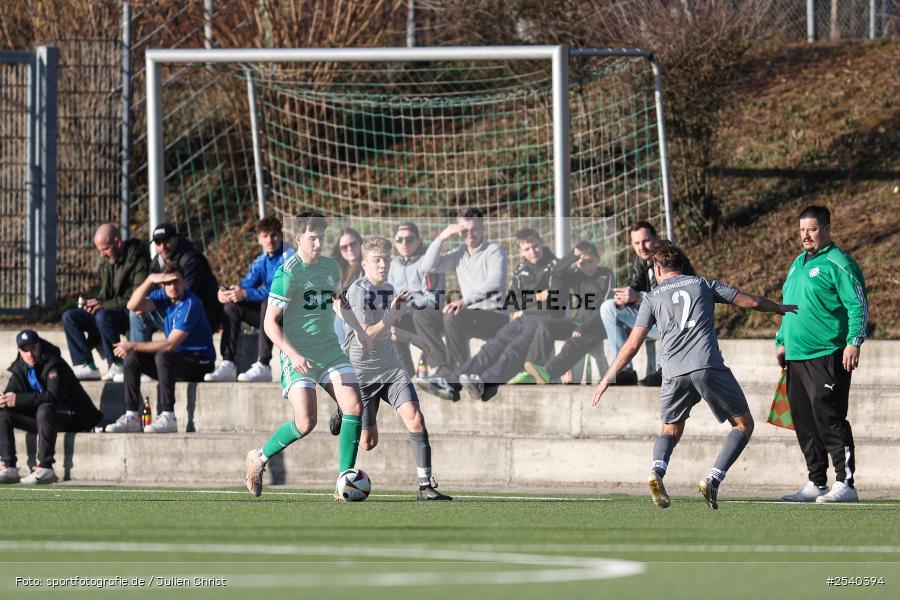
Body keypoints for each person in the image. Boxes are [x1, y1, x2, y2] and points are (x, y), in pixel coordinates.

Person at [592, 240, 797, 510]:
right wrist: (778, 308)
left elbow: (632, 344)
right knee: (743, 425)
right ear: (681, 264)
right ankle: (713, 478)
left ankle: (657, 471)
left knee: (670, 430)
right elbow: (750, 301)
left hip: (673, 371)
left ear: (657, 268)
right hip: (706, 365)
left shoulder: (652, 297)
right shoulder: (703, 284)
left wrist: (608, 377)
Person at [243, 212, 373, 499]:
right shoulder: (288, 272)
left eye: (322, 237)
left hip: (328, 350)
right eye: (312, 237)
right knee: (306, 422)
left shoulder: (329, 267)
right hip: (297, 354)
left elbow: (339, 302)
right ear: (299, 238)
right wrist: (292, 354)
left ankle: (344, 483)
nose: (318, 242)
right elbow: (269, 324)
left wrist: (361, 331)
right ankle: (260, 457)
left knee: (353, 405)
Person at [341, 237, 451, 500]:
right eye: (377, 260)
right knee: (368, 443)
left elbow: (387, 330)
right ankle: (341, 408)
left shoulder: (389, 288)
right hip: (362, 372)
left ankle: (425, 486)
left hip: (390, 368)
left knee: (416, 417)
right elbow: (365, 337)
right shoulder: (357, 292)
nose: (383, 264)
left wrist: (415, 338)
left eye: (386, 259)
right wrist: (392, 317)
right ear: (364, 264)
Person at [777, 206, 867, 504]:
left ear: (826, 229)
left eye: (812, 229)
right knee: (804, 420)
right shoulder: (796, 263)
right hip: (796, 356)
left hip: (829, 354)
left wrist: (854, 341)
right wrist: (781, 340)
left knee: (829, 415)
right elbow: (789, 305)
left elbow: (858, 306)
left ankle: (846, 482)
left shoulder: (839, 263)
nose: (806, 235)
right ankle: (816, 481)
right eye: (802, 229)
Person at [416, 228, 558, 401]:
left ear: (542, 243)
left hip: (544, 319)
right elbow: (513, 300)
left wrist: (530, 302)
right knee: (491, 348)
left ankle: (486, 382)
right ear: (520, 251)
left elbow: (555, 299)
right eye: (527, 249)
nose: (533, 251)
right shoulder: (521, 269)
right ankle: (452, 382)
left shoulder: (555, 266)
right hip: (521, 317)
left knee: (513, 349)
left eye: (535, 246)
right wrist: (537, 297)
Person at [105, 262, 216, 433]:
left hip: (200, 362)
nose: (172, 287)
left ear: (185, 282)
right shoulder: (164, 298)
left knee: (162, 355)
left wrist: (133, 343)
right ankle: (132, 416)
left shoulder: (191, 303)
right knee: (133, 357)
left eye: (176, 281)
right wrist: (150, 280)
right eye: (167, 283)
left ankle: (168, 416)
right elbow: (132, 306)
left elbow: (171, 343)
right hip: (175, 361)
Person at [0, 330, 103, 485]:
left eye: (33, 348)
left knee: (45, 407)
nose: (30, 354)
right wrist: (4, 399)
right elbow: (11, 394)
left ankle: (45, 467)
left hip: (75, 415)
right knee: (3, 413)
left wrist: (18, 399)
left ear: (39, 345)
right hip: (45, 420)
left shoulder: (54, 362)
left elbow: (53, 396)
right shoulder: (20, 366)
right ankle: (9, 467)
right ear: (19, 351)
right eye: (25, 350)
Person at [599, 221, 694, 386]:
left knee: (668, 317)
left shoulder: (671, 258)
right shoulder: (641, 261)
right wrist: (624, 298)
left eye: (645, 241)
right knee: (608, 308)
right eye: (636, 243)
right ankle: (624, 370)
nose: (641, 247)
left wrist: (638, 296)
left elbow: (672, 298)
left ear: (657, 239)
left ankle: (663, 371)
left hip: (681, 323)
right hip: (654, 320)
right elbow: (633, 288)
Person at [205, 217, 294, 382]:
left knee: (269, 303)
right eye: (265, 236)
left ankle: (264, 364)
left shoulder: (289, 256)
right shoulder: (263, 259)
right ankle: (228, 363)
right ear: (259, 238)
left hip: (292, 313)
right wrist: (230, 292)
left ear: (281, 236)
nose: (270, 240)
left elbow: (280, 291)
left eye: (274, 235)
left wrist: (246, 294)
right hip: (273, 312)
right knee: (232, 307)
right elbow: (247, 284)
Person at [419, 207, 508, 372]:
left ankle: (461, 370)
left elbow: (496, 282)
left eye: (474, 229)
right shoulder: (459, 254)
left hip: (494, 317)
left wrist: (464, 301)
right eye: (465, 230)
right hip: (467, 314)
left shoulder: (494, 251)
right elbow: (428, 266)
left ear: (482, 228)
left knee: (452, 316)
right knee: (422, 314)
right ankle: (442, 366)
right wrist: (441, 238)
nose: (470, 234)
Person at [513, 241, 614, 385]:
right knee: (546, 326)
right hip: (577, 322)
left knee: (574, 343)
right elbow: (556, 271)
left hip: (598, 325)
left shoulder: (606, 275)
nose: (587, 267)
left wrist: (582, 328)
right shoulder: (575, 275)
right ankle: (532, 369)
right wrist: (573, 254)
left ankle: (548, 373)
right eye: (582, 263)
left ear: (597, 259)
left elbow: (604, 307)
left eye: (590, 262)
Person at [62, 224, 149, 381]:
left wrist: (102, 305)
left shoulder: (139, 260)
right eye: (99, 250)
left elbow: (136, 299)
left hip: (129, 313)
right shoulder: (108, 262)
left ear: (118, 242)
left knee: (103, 316)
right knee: (70, 316)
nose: (102, 254)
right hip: (109, 312)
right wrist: (94, 304)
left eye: (105, 249)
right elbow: (105, 295)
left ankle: (116, 364)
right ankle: (88, 365)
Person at [129, 223, 221, 347]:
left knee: (165, 354)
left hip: (200, 316)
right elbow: (134, 304)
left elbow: (182, 296)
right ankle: (139, 361)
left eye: (166, 241)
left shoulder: (191, 260)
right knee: (136, 314)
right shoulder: (157, 262)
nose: (163, 247)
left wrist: (155, 303)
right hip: (172, 310)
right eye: (158, 243)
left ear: (176, 238)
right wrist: (148, 292)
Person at [386, 221, 449, 377]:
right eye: (399, 240)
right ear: (395, 243)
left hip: (428, 315)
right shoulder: (393, 265)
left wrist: (408, 303)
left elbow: (434, 300)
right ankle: (405, 371)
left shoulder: (428, 263)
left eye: (410, 239)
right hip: (405, 315)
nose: (404, 243)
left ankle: (438, 365)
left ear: (419, 241)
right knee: (388, 321)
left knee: (420, 315)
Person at [330, 227, 363, 346]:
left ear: (360, 243)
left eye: (353, 243)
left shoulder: (367, 266)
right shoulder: (337, 269)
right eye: (344, 247)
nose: (349, 249)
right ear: (339, 250)